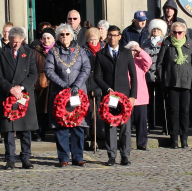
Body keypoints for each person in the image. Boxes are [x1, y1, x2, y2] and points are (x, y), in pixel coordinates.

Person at [0, 26, 40, 169]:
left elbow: (33, 75)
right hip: (8, 94)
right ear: (9, 39)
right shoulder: (0, 53)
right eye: (14, 41)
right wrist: (10, 88)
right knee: (8, 129)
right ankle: (10, 158)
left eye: (19, 42)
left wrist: (21, 87)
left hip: (24, 94)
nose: (16, 44)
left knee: (26, 129)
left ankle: (26, 157)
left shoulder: (29, 53)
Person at [44, 23, 91, 167]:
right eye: (62, 35)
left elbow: (86, 68)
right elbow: (49, 70)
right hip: (60, 93)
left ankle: (78, 156)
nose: (64, 37)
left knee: (77, 124)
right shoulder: (53, 52)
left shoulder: (80, 51)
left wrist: (76, 85)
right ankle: (63, 157)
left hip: (77, 93)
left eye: (67, 34)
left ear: (72, 35)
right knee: (61, 125)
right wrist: (63, 85)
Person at [94, 26, 138, 165]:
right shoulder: (101, 54)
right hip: (111, 97)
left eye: (115, 35)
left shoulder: (126, 53)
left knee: (125, 126)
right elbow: (97, 76)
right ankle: (111, 156)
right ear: (107, 37)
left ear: (119, 37)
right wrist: (107, 89)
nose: (112, 38)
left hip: (125, 96)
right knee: (111, 125)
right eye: (110, 35)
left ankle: (125, 155)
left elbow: (133, 76)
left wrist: (133, 96)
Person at [156, 21, 192, 149]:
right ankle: (174, 139)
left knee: (184, 112)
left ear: (184, 33)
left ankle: (184, 139)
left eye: (180, 32)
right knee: (173, 111)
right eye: (174, 32)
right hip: (171, 82)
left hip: (186, 83)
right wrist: (163, 80)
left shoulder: (190, 45)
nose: (177, 35)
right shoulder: (167, 43)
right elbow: (159, 63)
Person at [125, 41, 152, 151]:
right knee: (127, 123)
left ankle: (142, 143)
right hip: (128, 96)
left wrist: (140, 50)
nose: (134, 53)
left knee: (141, 122)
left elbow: (149, 61)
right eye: (132, 50)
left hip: (141, 97)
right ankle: (126, 143)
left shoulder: (140, 62)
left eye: (135, 51)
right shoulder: (124, 61)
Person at [30, 28, 54, 144]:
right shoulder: (36, 51)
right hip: (41, 84)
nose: (46, 40)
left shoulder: (57, 50)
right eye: (44, 38)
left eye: (48, 38)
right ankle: (40, 133)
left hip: (55, 84)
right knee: (41, 110)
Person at [142, 19, 167, 133]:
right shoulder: (145, 43)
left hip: (160, 76)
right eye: (154, 29)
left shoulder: (165, 42)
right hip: (148, 76)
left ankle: (163, 125)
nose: (156, 31)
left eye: (158, 29)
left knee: (162, 101)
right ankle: (150, 123)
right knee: (149, 101)